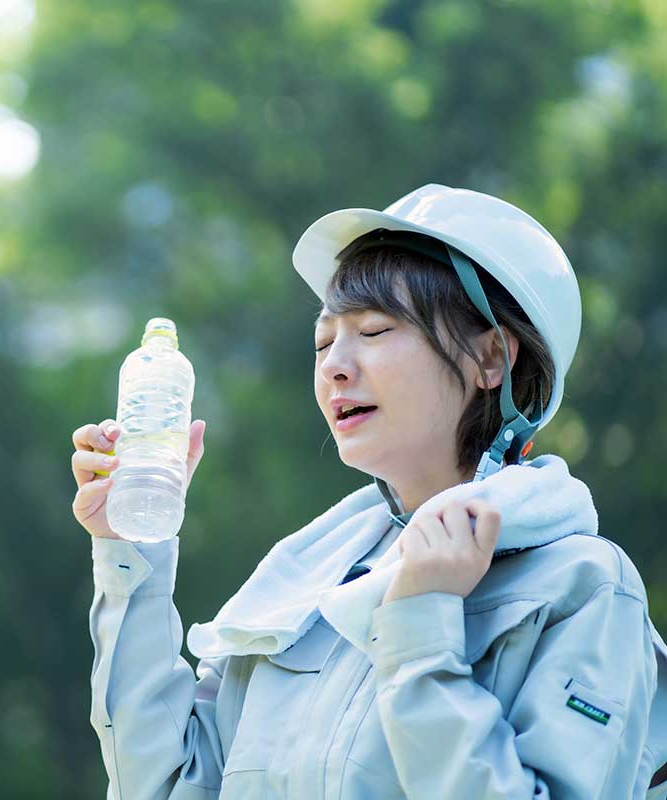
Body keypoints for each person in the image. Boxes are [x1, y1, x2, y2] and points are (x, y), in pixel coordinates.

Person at [71, 184, 667, 799]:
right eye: (324, 341)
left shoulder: (581, 588)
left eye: (376, 330)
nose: (335, 365)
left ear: (492, 359)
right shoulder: (305, 575)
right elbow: (164, 786)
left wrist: (421, 631)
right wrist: (130, 555)